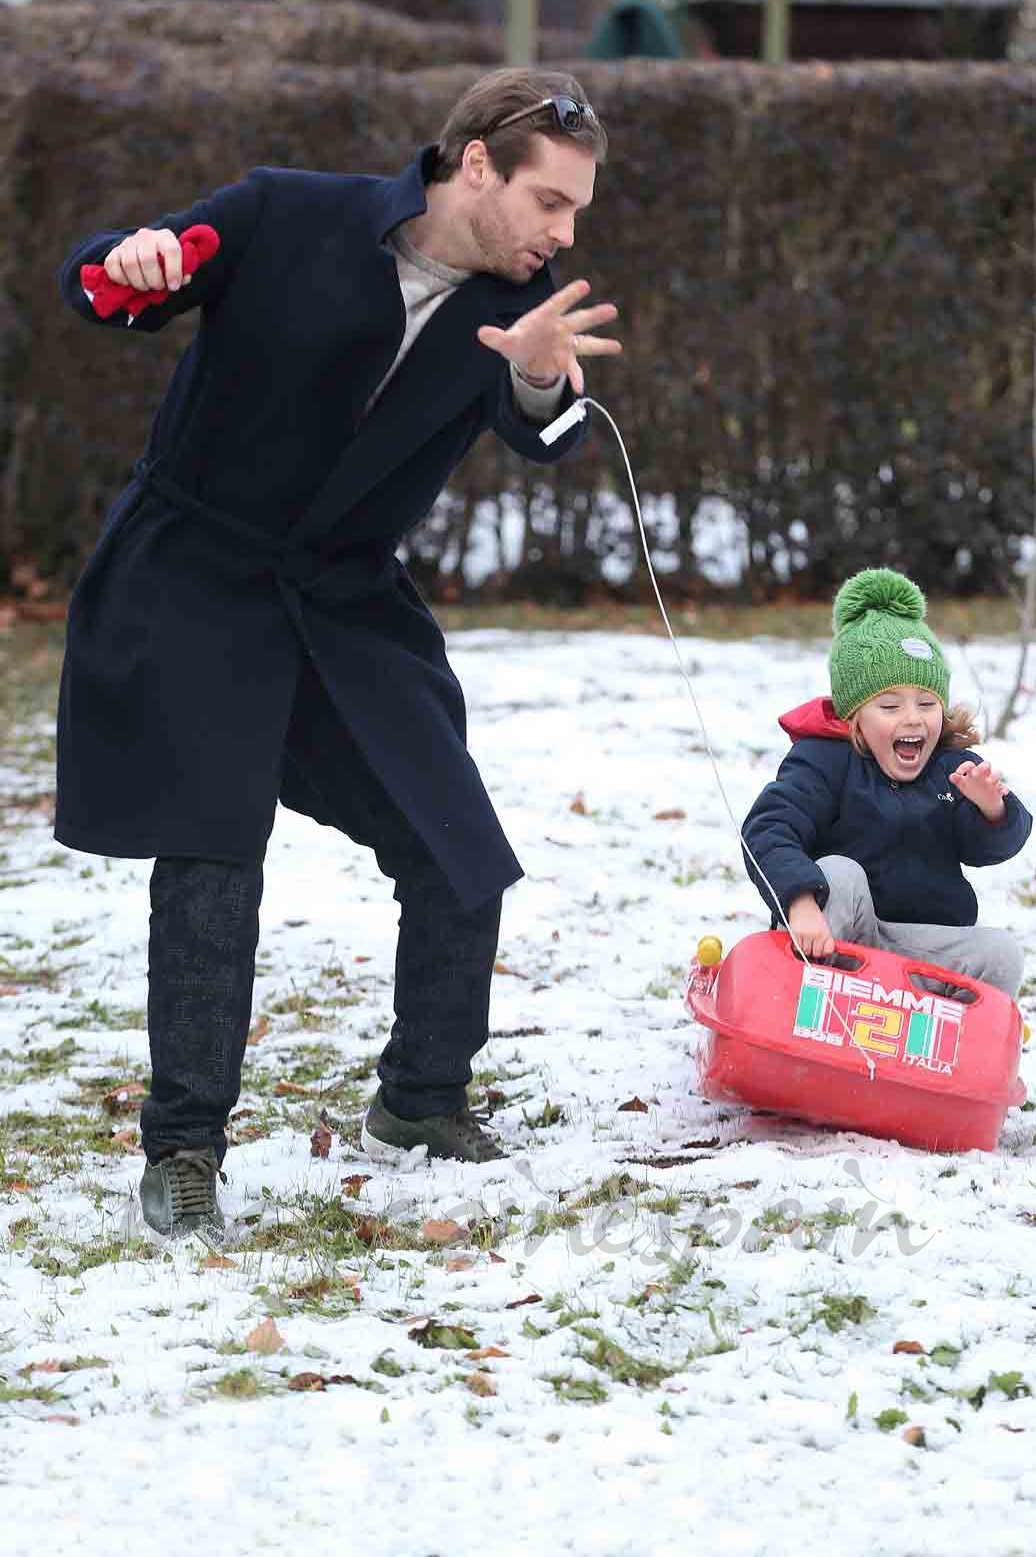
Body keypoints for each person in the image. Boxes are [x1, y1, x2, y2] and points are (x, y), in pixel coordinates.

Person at [56, 70, 621, 1239]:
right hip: (196, 577)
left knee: (456, 845)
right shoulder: (286, 213)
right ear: (477, 166)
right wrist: (137, 261)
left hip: (346, 598)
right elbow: (112, 280)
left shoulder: (528, 304)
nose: (565, 236)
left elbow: (548, 422)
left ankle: (421, 1101)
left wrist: (528, 370)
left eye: (575, 214)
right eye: (551, 204)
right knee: (214, 857)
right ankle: (183, 1152)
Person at [740, 568, 1031, 998]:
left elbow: (989, 848)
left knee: (1003, 953)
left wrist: (993, 810)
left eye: (928, 703)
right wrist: (800, 904)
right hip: (841, 942)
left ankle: (956, 1049)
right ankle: (800, 1002)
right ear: (853, 715)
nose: (913, 718)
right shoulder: (823, 760)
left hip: (918, 956)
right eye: (891, 705)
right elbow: (768, 828)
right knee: (841, 872)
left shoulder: (954, 769)